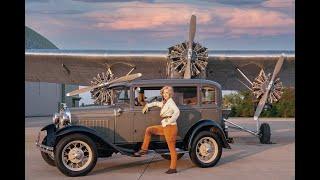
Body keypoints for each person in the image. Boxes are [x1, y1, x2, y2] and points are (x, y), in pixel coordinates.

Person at [133, 86, 180, 174]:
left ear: (170, 94)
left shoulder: (170, 102)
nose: (165, 94)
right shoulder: (165, 102)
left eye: (167, 93)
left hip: (170, 127)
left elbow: (177, 112)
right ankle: (144, 150)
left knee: (172, 149)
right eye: (164, 93)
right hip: (165, 126)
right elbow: (156, 103)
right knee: (149, 130)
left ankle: (173, 168)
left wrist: (169, 121)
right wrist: (147, 105)